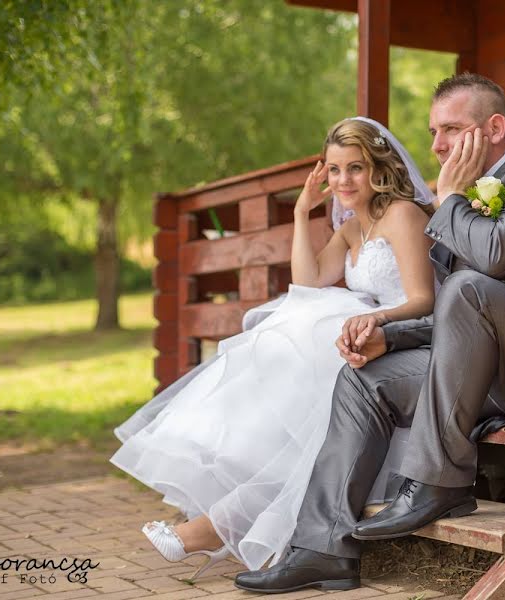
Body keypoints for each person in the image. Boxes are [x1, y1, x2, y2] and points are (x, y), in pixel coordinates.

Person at [233, 73, 505, 594]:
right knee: (365, 378)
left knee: (467, 285)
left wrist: (448, 199)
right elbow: (454, 313)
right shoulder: (462, 199)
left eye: (450, 129)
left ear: (493, 128)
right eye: (432, 132)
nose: (437, 146)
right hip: (495, 369)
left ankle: (437, 482)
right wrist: (388, 337)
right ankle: (321, 547)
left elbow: (491, 261)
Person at [110, 116, 437, 581]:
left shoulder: (402, 215)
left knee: (307, 368)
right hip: (363, 335)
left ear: (379, 168)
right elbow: (305, 282)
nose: (344, 180)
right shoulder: (352, 227)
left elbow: (423, 300)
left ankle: (214, 529)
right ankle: (219, 525)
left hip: (401, 336)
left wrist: (375, 318)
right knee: (290, 357)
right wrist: (302, 213)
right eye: (335, 169)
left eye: (356, 168)